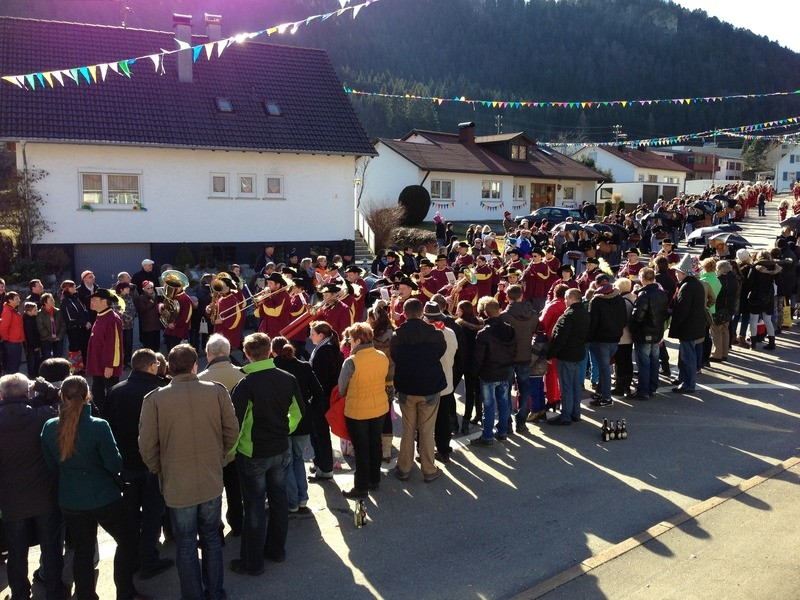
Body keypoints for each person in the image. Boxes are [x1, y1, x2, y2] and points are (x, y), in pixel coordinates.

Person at [139, 344, 238, 600]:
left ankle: (192, 595)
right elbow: (232, 432)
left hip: (176, 483)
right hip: (210, 478)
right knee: (211, 538)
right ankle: (215, 592)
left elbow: (147, 445)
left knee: (185, 543)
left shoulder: (156, 399)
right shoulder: (216, 392)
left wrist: (161, 469)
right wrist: (222, 459)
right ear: (195, 365)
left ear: (169, 368)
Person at [41, 375, 149, 600]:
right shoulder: (98, 426)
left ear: (62, 396)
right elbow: (115, 464)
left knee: (83, 551)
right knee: (128, 540)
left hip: (70, 498)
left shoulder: (50, 426)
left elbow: (51, 464)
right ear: (87, 395)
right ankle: (126, 593)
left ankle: (85, 596)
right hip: (103, 496)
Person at [230, 333, 303, 575]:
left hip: (254, 453)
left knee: (254, 505)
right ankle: (276, 550)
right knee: (279, 500)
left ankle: (253, 562)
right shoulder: (287, 378)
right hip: (279, 448)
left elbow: (236, 425)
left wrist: (230, 451)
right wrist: (283, 431)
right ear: (271, 351)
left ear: (247, 354)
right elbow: (297, 413)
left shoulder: (246, 385)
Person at [105, 348, 174, 581]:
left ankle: (132, 558)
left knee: (131, 515)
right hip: (152, 463)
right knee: (154, 513)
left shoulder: (115, 391)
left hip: (126, 464)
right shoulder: (160, 392)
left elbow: (108, 427)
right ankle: (148, 559)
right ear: (153, 366)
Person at [0, 373, 64, 600]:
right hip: (44, 495)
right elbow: (61, 400)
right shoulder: (41, 416)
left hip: (11, 499)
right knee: (51, 547)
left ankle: (19, 593)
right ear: (28, 393)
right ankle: (55, 591)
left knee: (17, 551)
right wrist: (43, 386)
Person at [390, 298, 447, 482]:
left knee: (408, 430)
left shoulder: (398, 335)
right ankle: (429, 469)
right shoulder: (434, 333)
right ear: (422, 312)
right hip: (429, 387)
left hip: (407, 387)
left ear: (405, 314)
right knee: (426, 430)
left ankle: (404, 468)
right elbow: (440, 352)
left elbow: (395, 356)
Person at [198, 333, 247, 535]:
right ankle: (238, 523)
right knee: (236, 488)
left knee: (213, 491)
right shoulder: (243, 374)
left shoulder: (200, 380)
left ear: (209, 354)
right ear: (228, 353)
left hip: (212, 445)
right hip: (240, 443)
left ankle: (215, 528)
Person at [337, 323, 390, 497]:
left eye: (350, 340)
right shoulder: (381, 356)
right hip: (380, 407)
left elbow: (341, 388)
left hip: (358, 411)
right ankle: (374, 479)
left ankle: (360, 486)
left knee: (361, 449)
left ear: (358, 341)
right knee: (375, 444)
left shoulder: (351, 362)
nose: (349, 343)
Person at [270, 336, 321, 513]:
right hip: (303, 420)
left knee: (287, 462)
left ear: (273, 351)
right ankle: (302, 498)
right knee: (298, 459)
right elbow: (318, 392)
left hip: (283, 420)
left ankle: (292, 501)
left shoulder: (272, 368)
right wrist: (307, 405)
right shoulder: (304, 366)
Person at [470, 297, 516, 446]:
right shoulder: (509, 329)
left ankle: (487, 435)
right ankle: (502, 432)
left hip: (489, 373)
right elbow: (514, 351)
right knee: (503, 403)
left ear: (485, 313)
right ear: (499, 310)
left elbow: (478, 357)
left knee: (489, 406)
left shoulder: (484, 333)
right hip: (504, 371)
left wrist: (475, 372)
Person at [546, 288, 590, 425]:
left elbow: (559, 338)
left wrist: (550, 354)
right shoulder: (585, 313)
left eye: (566, 298)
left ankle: (566, 416)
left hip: (567, 355)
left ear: (571, 298)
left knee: (566, 387)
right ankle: (575, 413)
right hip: (579, 353)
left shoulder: (568, 315)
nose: (565, 301)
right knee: (576, 385)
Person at [307, 321, 343, 482]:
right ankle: (319, 462)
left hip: (322, 398)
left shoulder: (324, 352)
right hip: (326, 396)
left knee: (320, 433)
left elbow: (319, 379)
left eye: (312, 334)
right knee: (316, 432)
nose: (310, 337)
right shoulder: (328, 347)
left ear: (321, 335)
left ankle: (326, 468)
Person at [422, 302, 458, 464]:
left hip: (428, 384)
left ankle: (425, 452)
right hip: (446, 382)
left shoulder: (424, 334)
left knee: (425, 422)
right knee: (443, 419)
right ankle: (444, 451)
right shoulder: (450, 332)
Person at [499, 284, 538, 432]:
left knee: (506, 391)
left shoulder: (504, 316)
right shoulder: (533, 315)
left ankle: (507, 423)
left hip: (509, 358)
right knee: (524, 390)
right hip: (525, 356)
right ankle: (521, 422)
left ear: (508, 297)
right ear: (521, 296)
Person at [586, 276, 627, 407]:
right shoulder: (619, 298)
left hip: (600, 339)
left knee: (604, 369)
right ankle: (600, 392)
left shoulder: (596, 300)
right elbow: (623, 319)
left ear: (597, 285)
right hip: (615, 338)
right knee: (605, 367)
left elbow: (592, 323)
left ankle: (607, 398)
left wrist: (589, 338)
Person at [668, 255, 707, 393]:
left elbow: (682, 311)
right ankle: (683, 378)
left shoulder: (686, 287)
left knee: (688, 357)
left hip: (688, 327)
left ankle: (688, 384)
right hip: (695, 326)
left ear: (683, 273)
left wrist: (676, 325)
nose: (676, 274)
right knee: (687, 355)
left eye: (677, 272)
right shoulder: (696, 284)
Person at [628, 268, 669, 399]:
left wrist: (632, 329)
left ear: (642, 278)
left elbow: (637, 316)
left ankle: (643, 390)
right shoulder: (661, 293)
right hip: (657, 332)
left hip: (644, 332)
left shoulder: (644, 295)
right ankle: (652, 387)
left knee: (644, 362)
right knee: (654, 360)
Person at [86, 288, 124, 416]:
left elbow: (113, 344)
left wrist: (109, 365)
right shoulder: (101, 316)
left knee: (112, 394)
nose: (92, 302)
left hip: (107, 367)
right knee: (97, 393)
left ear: (104, 302)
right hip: (98, 365)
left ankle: (113, 418)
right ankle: (100, 416)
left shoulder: (112, 319)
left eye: (95, 300)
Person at [455, 300, 484, 433]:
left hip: (466, 361)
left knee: (469, 393)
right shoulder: (480, 323)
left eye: (459, 310)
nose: (457, 312)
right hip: (478, 361)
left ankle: (466, 421)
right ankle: (479, 414)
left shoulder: (460, 326)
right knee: (478, 390)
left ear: (464, 311)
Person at [747, 250, 781, 351]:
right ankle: (772, 343)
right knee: (768, 320)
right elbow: (779, 282)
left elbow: (749, 282)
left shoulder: (755, 267)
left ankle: (753, 345)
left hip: (756, 295)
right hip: (768, 296)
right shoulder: (774, 267)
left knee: (753, 320)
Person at [61, 280, 91, 372]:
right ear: (67, 288)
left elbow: (84, 310)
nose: (74, 288)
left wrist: (88, 321)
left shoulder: (76, 298)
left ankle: (82, 367)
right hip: (73, 329)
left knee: (83, 347)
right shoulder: (65, 301)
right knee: (74, 348)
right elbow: (71, 317)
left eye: (74, 286)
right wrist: (84, 323)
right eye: (72, 286)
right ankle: (74, 368)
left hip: (82, 328)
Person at [37, 292, 66, 360]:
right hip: (46, 340)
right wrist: (50, 338)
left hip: (58, 339)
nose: (53, 301)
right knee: (47, 358)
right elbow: (41, 328)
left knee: (58, 358)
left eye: (53, 299)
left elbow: (63, 324)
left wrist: (59, 336)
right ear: (45, 302)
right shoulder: (40, 313)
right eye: (51, 300)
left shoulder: (58, 311)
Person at [0, 292, 24, 375]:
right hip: (12, 342)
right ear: (10, 300)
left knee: (15, 364)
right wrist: (7, 339)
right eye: (16, 299)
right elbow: (3, 327)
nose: (19, 300)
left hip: (16, 341)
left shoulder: (12, 310)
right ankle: (11, 385)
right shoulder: (8, 311)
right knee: (12, 366)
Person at [136, 280, 161, 352]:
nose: (150, 289)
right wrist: (151, 302)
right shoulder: (141, 298)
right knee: (149, 346)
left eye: (151, 288)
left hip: (156, 324)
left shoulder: (155, 296)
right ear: (144, 289)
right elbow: (142, 310)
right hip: (148, 326)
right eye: (148, 288)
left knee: (157, 345)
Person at [23, 301, 42, 378]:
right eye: (34, 310)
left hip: (34, 344)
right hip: (31, 345)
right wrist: (35, 346)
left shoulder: (32, 318)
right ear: (29, 311)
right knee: (32, 361)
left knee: (36, 360)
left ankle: (35, 374)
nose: (37, 311)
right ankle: (32, 375)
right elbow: (30, 335)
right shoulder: (27, 320)